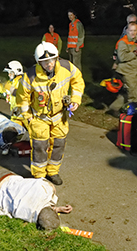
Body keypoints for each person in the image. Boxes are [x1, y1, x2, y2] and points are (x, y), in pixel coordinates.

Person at [16, 42, 85, 185]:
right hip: (39, 118)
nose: (49, 64)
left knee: (59, 144)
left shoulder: (67, 67)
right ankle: (39, 176)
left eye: (51, 60)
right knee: (40, 146)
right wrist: (28, 117)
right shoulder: (30, 76)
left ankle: (53, 172)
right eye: (45, 61)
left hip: (60, 116)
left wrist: (76, 99)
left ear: (57, 57)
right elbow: (22, 98)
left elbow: (78, 80)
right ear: (38, 62)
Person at [106, 22, 137, 117]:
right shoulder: (122, 42)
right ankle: (134, 114)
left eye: (134, 30)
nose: (132, 32)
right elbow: (122, 57)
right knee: (133, 94)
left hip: (133, 71)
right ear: (127, 30)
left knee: (126, 92)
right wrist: (136, 53)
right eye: (130, 30)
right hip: (126, 72)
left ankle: (114, 108)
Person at [2, 60, 26, 128]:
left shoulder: (21, 81)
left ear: (16, 72)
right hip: (15, 115)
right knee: (13, 131)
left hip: (24, 114)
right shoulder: (11, 82)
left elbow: (21, 93)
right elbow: (3, 88)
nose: (9, 75)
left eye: (11, 73)